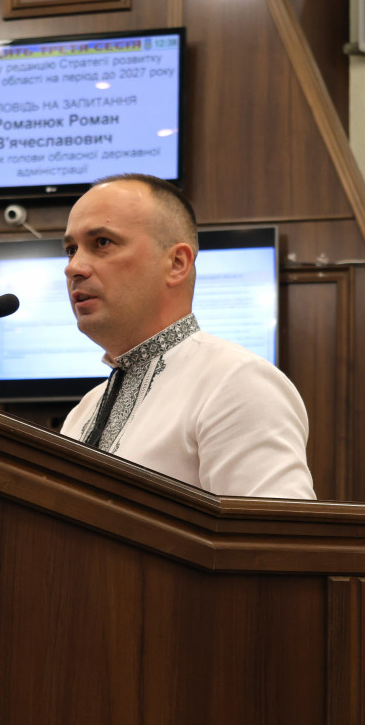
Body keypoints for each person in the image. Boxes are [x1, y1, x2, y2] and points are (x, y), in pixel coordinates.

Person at [59, 173, 316, 499]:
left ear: (177, 263)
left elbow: (275, 530)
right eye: (71, 249)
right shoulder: (85, 409)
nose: (73, 267)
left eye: (102, 243)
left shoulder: (235, 382)